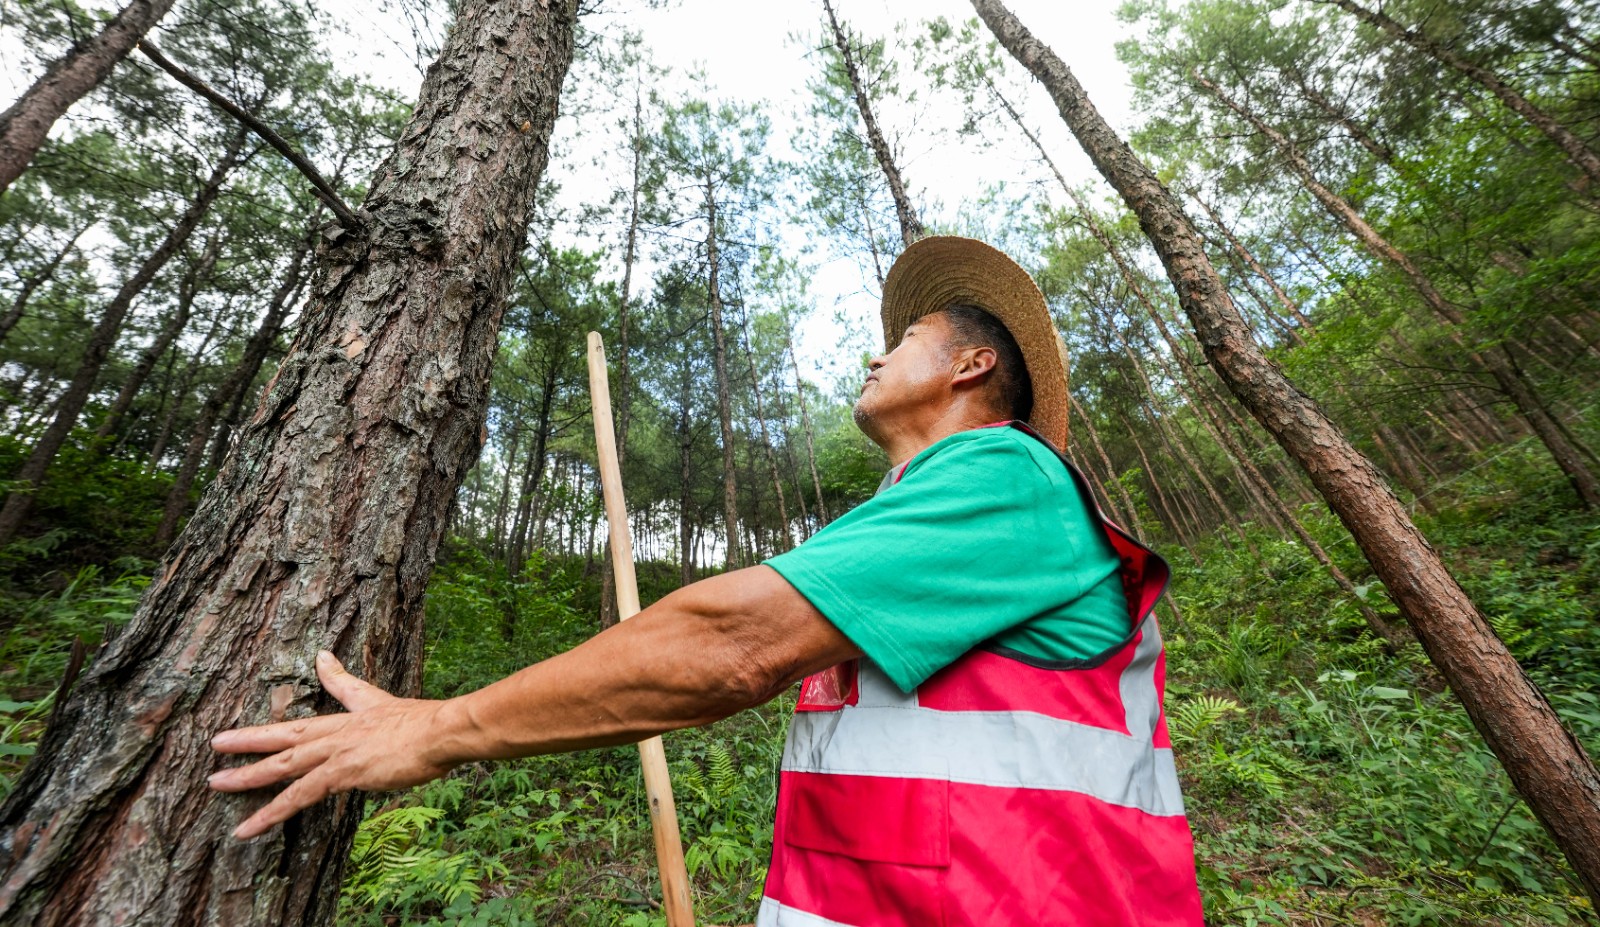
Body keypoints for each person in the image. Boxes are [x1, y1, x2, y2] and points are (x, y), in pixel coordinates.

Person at [211, 237, 1204, 926]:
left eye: (903, 341)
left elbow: (732, 646)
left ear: (970, 364)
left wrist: (436, 728)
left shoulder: (1003, 476)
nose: (874, 351)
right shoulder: (909, 520)